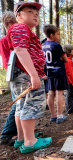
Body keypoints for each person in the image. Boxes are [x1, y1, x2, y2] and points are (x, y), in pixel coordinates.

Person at [7, 1, 52, 153]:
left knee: (21, 107)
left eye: (37, 13)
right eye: (30, 12)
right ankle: (30, 141)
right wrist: (34, 75)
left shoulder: (22, 29)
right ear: (18, 15)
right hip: (26, 74)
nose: (35, 14)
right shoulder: (20, 27)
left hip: (20, 74)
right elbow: (20, 50)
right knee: (30, 106)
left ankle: (21, 138)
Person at [42, 24, 69, 124]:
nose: (59, 36)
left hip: (49, 72)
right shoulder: (57, 45)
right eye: (58, 34)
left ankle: (52, 116)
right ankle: (59, 116)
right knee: (59, 93)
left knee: (50, 93)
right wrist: (61, 58)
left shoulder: (43, 45)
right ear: (52, 35)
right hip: (58, 72)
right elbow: (66, 59)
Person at [0, 11, 17, 146]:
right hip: (14, 74)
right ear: (11, 24)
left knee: (21, 105)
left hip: (17, 74)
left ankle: (19, 132)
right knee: (17, 104)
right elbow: (7, 61)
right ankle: (6, 134)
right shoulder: (5, 40)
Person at [63, 44, 73, 114]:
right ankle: (70, 109)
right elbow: (69, 73)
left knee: (70, 95)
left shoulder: (70, 60)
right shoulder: (68, 61)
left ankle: (70, 108)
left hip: (70, 81)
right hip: (69, 82)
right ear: (69, 51)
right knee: (70, 95)